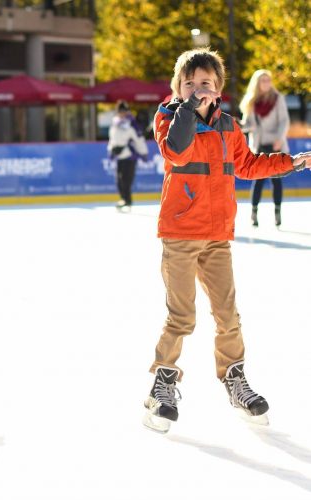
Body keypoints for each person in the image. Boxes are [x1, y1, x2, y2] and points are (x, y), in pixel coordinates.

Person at [143, 48, 311, 434]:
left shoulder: (230, 126)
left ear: (218, 89)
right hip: (181, 234)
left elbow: (249, 166)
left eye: (206, 83)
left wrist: (292, 161)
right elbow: (177, 151)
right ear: (177, 87)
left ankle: (234, 381)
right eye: (190, 83)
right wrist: (186, 107)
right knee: (182, 317)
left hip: (217, 237)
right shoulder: (168, 118)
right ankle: (162, 385)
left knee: (228, 316)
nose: (198, 89)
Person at [239, 69, 291, 227]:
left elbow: (284, 121)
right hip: (259, 145)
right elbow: (248, 124)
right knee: (258, 181)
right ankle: (254, 213)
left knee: (277, 181)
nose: (267, 83)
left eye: (268, 80)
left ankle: (277, 212)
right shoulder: (252, 102)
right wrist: (238, 125)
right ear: (257, 83)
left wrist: (280, 138)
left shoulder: (277, 99)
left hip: (276, 144)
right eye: (263, 80)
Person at [107, 100, 148, 211]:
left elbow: (139, 139)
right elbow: (112, 139)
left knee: (126, 180)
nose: (122, 114)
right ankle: (123, 199)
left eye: (124, 111)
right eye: (120, 111)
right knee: (119, 180)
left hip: (130, 156)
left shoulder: (132, 124)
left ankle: (127, 201)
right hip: (119, 156)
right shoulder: (115, 123)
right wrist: (111, 150)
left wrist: (143, 152)